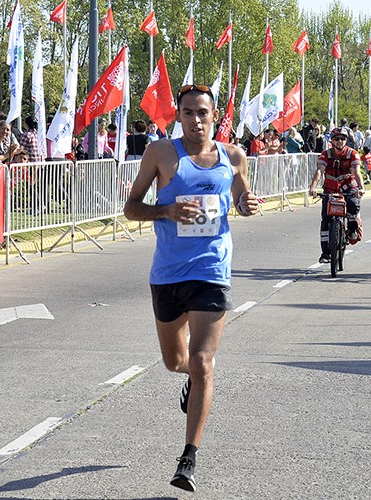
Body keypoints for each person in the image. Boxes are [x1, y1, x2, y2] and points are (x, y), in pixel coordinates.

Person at [122, 83, 258, 493]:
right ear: (177, 116)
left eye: (203, 112)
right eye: (188, 112)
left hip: (212, 270)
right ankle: (193, 383)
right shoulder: (161, 154)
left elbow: (241, 197)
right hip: (167, 273)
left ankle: (188, 458)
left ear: (214, 116)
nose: (196, 119)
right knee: (175, 361)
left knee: (202, 362)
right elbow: (131, 208)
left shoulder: (233, 156)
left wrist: (248, 203)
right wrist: (165, 209)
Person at [308, 127, 365, 262]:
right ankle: (326, 253)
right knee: (326, 219)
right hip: (330, 189)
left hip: (348, 187)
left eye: (343, 139)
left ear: (347, 140)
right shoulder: (325, 154)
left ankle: (352, 228)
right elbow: (319, 171)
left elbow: (356, 172)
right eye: (337, 139)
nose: (340, 141)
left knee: (353, 205)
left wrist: (361, 187)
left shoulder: (353, 154)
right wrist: (313, 187)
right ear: (332, 141)